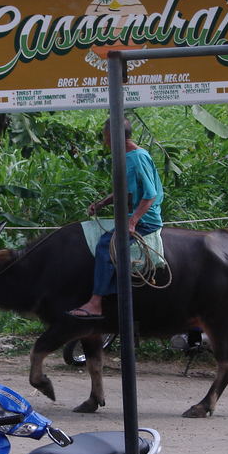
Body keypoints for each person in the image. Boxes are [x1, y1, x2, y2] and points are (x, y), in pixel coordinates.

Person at [68, 117, 164, 320]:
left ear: (114, 137)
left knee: (105, 244)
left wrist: (133, 221)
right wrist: (102, 203)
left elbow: (150, 194)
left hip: (146, 219)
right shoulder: (123, 156)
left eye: (106, 137)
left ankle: (96, 303)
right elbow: (124, 190)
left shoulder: (138, 158)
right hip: (127, 215)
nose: (105, 142)